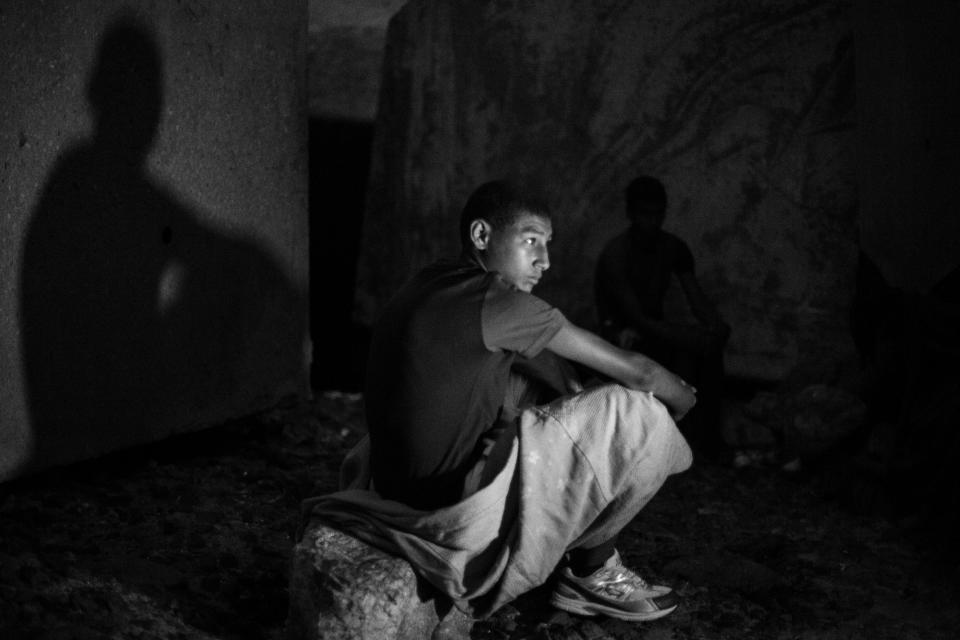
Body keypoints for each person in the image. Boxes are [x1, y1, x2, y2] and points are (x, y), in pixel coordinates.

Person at [304, 180, 696, 622]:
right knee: (637, 410)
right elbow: (639, 371)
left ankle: (551, 516)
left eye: (547, 244)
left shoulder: (433, 280)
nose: (544, 261)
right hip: (448, 512)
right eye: (531, 241)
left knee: (539, 375)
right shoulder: (500, 302)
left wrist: (562, 396)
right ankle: (592, 569)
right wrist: (682, 401)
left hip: (395, 485)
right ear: (481, 237)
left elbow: (547, 367)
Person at [595, 176, 730, 454]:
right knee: (682, 355)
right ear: (632, 214)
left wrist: (716, 327)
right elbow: (635, 318)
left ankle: (704, 442)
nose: (652, 222)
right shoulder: (616, 254)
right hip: (620, 335)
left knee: (706, 355)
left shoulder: (673, 248)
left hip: (654, 331)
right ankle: (665, 447)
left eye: (658, 214)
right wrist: (688, 338)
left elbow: (697, 300)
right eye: (645, 214)